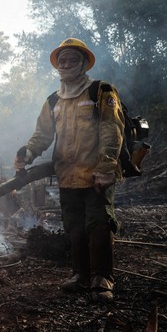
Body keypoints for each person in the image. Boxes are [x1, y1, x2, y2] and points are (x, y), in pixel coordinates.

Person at [14, 38, 125, 302]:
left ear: (84, 63)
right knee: (74, 225)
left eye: (71, 59)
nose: (65, 64)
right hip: (67, 176)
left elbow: (112, 130)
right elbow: (42, 136)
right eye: (61, 60)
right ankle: (81, 276)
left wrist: (107, 166)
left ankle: (103, 279)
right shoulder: (54, 101)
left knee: (99, 223)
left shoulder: (101, 91)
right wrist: (27, 153)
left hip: (96, 173)